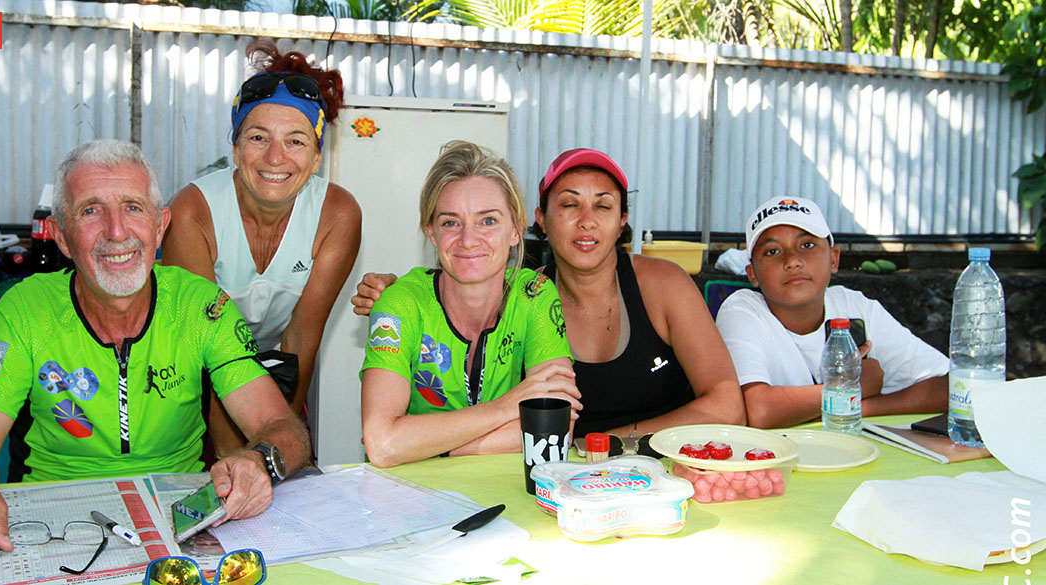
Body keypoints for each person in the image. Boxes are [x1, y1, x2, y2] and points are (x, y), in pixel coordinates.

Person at [0, 140, 310, 557]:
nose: (117, 231)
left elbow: (284, 429)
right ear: (61, 236)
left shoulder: (201, 306)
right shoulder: (25, 309)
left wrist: (260, 461)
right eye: (90, 211)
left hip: (179, 520)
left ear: (160, 226)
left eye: (133, 207)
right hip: (51, 522)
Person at [353, 148, 744, 441]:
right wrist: (399, 294)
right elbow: (458, 281)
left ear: (623, 221)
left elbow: (727, 406)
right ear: (540, 220)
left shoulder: (662, 284)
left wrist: (608, 444)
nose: (586, 221)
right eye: (569, 204)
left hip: (664, 461)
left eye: (603, 206)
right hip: (560, 470)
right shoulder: (530, 293)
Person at [162, 40, 361, 459]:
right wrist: (235, 458)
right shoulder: (193, 212)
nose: (276, 157)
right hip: (188, 372)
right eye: (258, 137)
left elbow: (301, 338)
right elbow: (209, 348)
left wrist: (277, 446)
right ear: (235, 149)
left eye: (295, 141)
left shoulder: (337, 215)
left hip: (270, 375)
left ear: (317, 157)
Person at [360, 141, 580, 468]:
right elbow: (381, 443)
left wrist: (426, 445)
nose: (468, 239)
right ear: (431, 232)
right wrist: (509, 406)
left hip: (503, 496)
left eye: (488, 221)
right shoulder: (400, 303)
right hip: (408, 498)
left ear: (516, 230)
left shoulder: (535, 294)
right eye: (450, 222)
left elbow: (555, 430)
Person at [714, 195, 948, 428]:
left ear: (833, 259)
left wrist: (855, 405)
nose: (793, 261)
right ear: (752, 273)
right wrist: (850, 387)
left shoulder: (854, 306)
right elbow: (759, 410)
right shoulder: (742, 311)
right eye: (773, 251)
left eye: (807, 245)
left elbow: (952, 386)